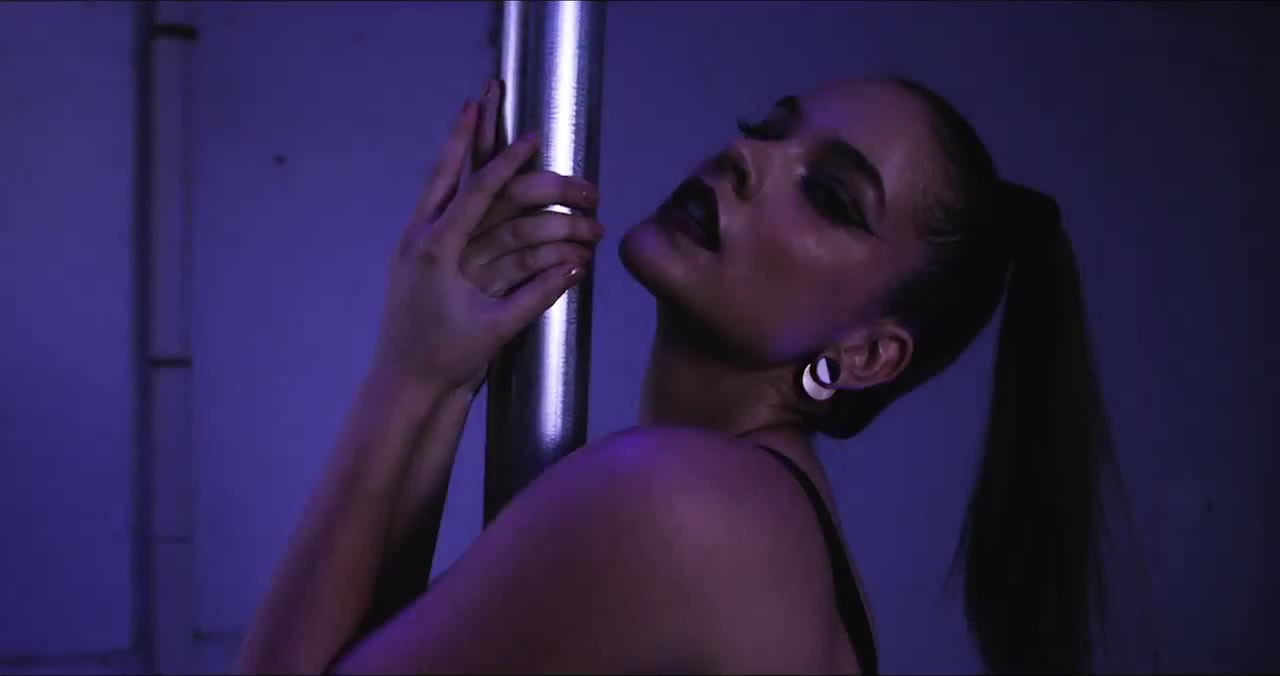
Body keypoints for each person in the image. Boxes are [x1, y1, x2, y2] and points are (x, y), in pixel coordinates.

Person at [234, 76, 1118, 675]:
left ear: (866, 355)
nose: (749, 158)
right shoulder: (764, 520)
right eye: (769, 128)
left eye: (829, 197)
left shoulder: (685, 507)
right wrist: (437, 380)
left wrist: (409, 375)